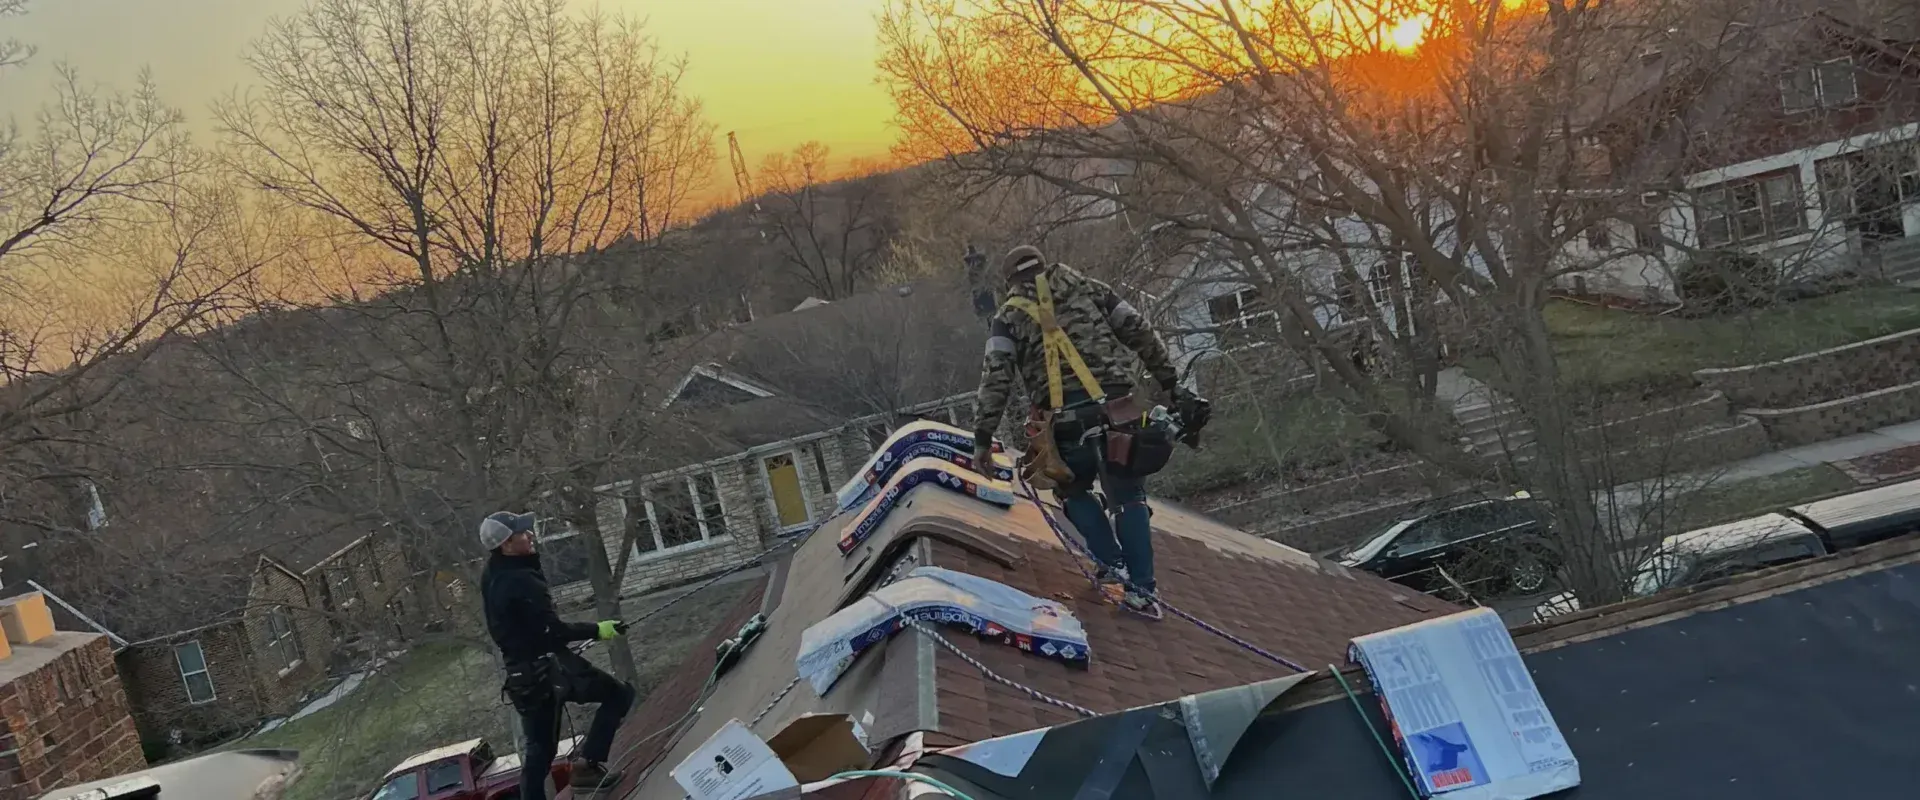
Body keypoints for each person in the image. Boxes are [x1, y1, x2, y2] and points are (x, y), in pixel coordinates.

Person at [971, 245, 1204, 615]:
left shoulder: (1008, 317)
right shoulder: (1090, 288)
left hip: (1065, 425)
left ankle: (1113, 565)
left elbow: (996, 378)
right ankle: (1142, 591)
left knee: (1073, 488)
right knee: (1128, 496)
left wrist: (982, 439)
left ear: (1010, 282)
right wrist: (1170, 381)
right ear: (1046, 268)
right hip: (1119, 411)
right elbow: (1138, 330)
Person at [479, 511, 635, 799]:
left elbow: (527, 630)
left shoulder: (493, 574)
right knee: (618, 695)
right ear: (507, 544)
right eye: (523, 534)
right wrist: (598, 629)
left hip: (522, 676)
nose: (530, 535)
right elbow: (553, 631)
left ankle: (583, 773)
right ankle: (587, 768)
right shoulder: (521, 580)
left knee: (539, 754)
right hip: (548, 671)